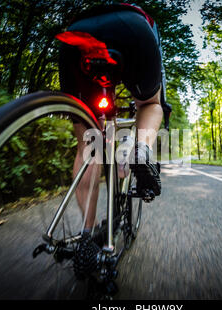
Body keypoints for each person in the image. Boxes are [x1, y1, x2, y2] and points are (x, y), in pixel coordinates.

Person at [58, 2, 171, 275]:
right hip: (133, 27)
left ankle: (87, 236)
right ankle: (141, 150)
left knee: (89, 144)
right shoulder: (143, 18)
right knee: (150, 104)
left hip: (76, 35)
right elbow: (149, 99)